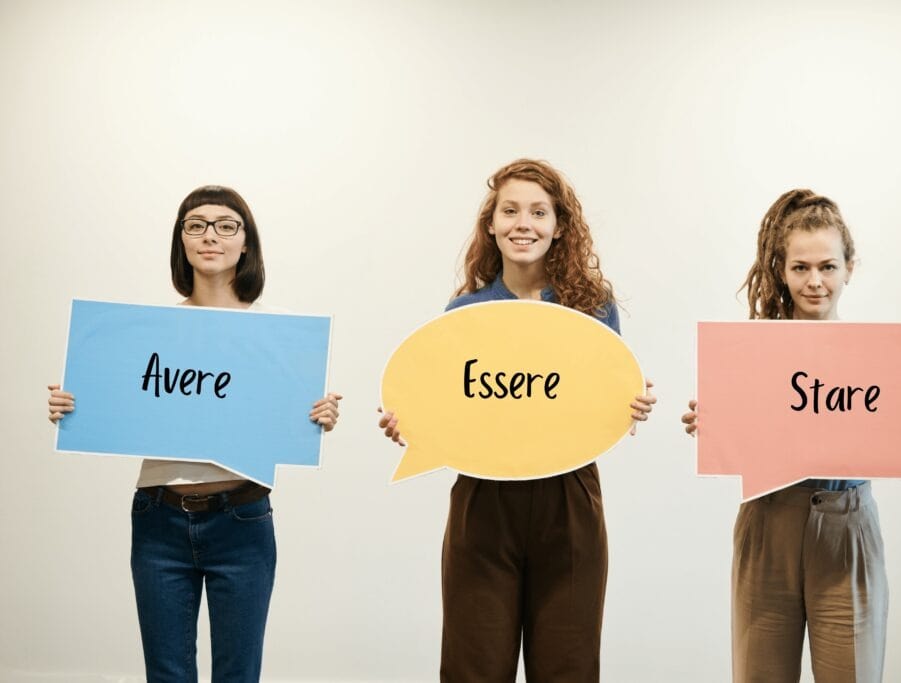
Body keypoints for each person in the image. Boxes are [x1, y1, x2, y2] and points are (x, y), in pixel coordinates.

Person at [47, 185, 342, 683]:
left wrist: (317, 415)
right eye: (196, 225)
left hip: (242, 520)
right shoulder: (144, 333)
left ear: (245, 243)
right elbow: (111, 401)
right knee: (167, 674)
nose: (211, 236)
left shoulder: (278, 336)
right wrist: (73, 405)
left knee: (238, 674)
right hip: (158, 520)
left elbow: (287, 417)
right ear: (181, 240)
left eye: (226, 225)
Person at [681, 188, 901, 682]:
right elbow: (738, 429)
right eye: (800, 268)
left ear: (849, 268)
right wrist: (712, 422)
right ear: (780, 268)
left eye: (828, 266)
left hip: (848, 530)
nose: (815, 281)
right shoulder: (751, 353)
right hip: (768, 518)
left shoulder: (881, 359)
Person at [379, 159, 656, 682]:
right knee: (473, 666)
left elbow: (607, 400)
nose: (522, 223)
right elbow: (447, 410)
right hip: (483, 499)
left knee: (567, 667)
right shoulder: (464, 313)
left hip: (568, 497)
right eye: (510, 211)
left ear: (559, 227)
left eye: (538, 212)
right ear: (491, 224)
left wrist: (632, 405)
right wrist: (412, 426)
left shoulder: (594, 312)